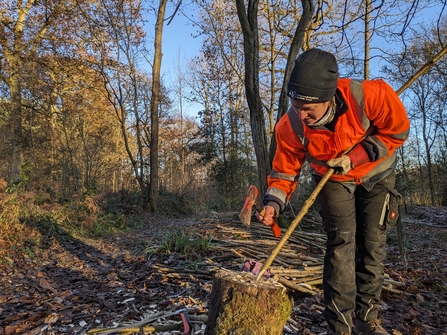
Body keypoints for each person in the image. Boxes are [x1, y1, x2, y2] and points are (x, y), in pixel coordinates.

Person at [257, 49, 410, 335]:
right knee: (341, 247)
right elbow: (284, 172)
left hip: (377, 174)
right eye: (295, 104)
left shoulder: (370, 96)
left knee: (372, 245)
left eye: (308, 108)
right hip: (332, 181)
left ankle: (367, 321)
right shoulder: (289, 125)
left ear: (328, 98)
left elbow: (397, 133)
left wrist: (357, 157)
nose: (301, 114)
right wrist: (273, 204)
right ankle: (340, 327)